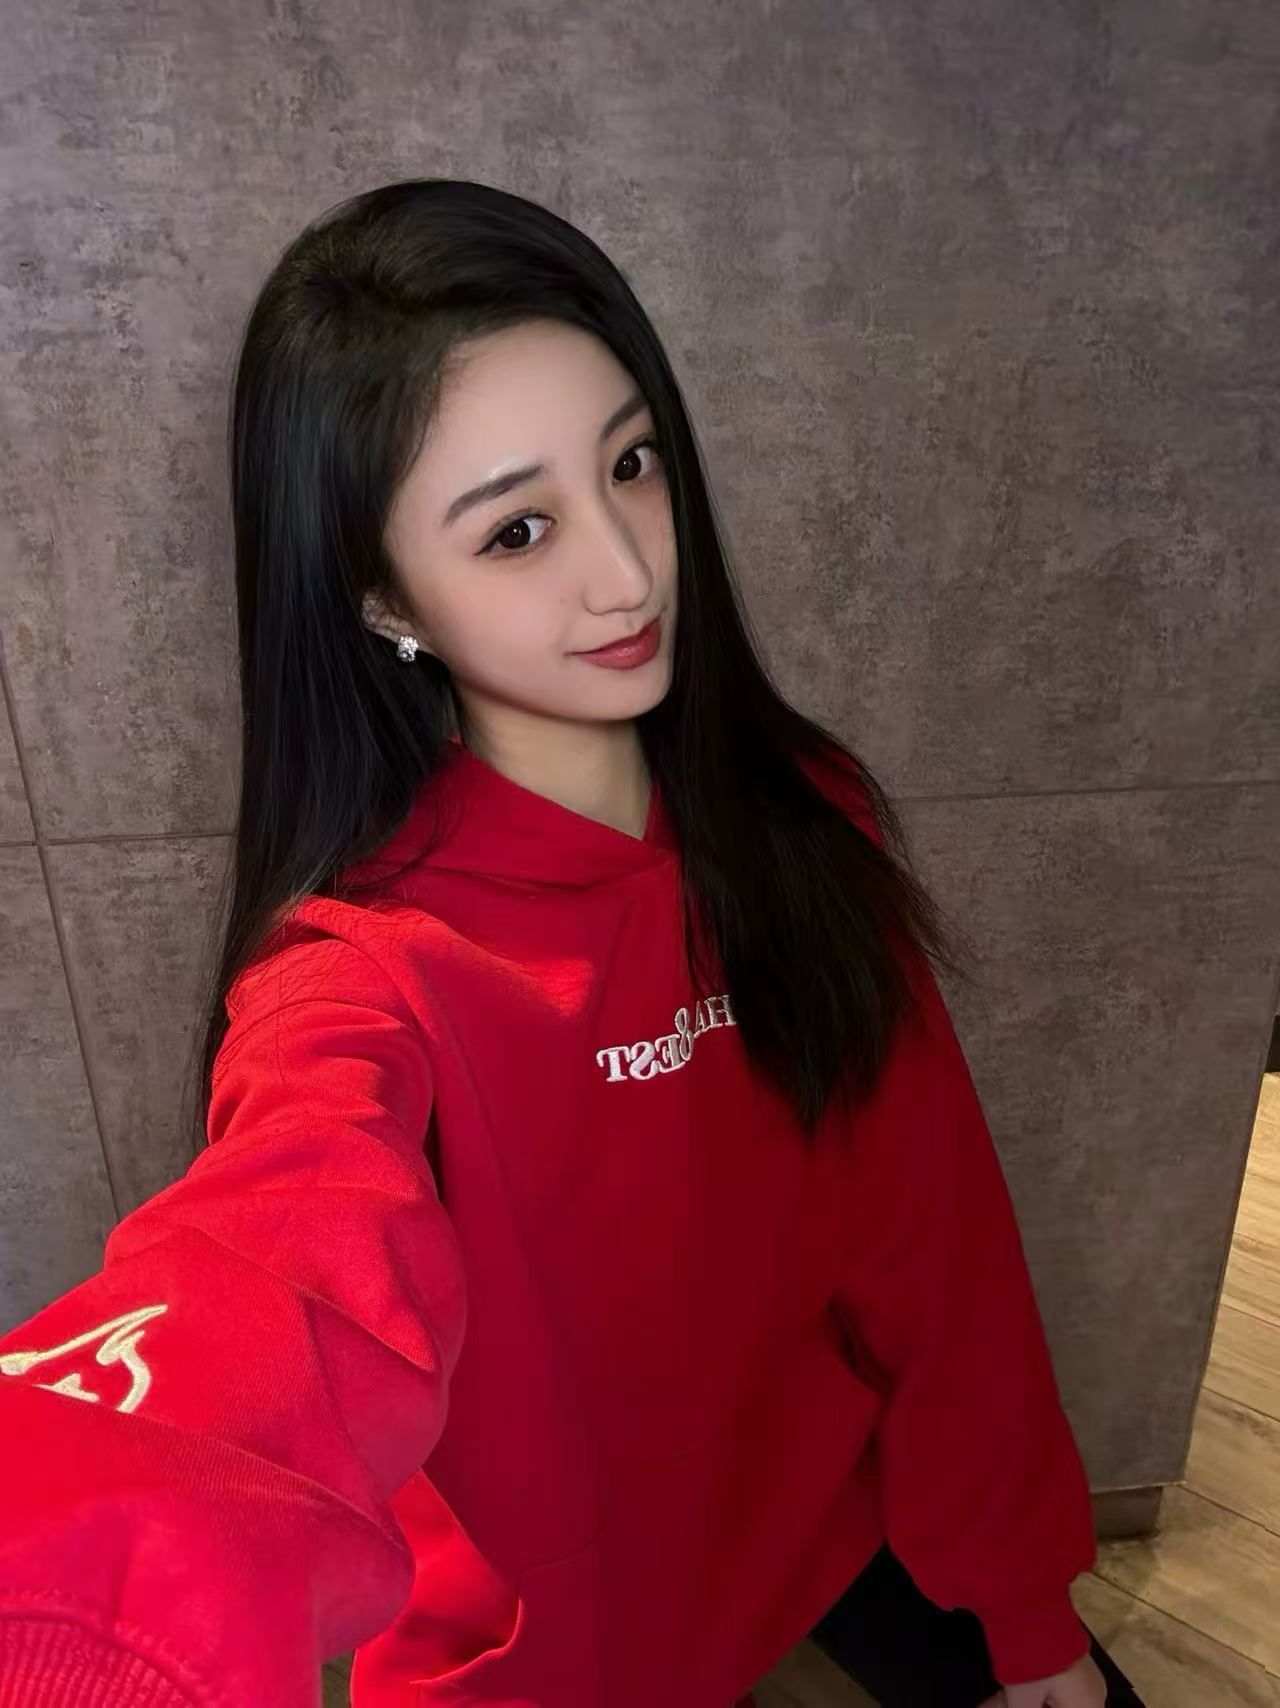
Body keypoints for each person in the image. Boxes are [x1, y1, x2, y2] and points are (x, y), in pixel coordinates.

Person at [0, 179, 1141, 1708]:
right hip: (559, 1639)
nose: (624, 573)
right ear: (380, 593)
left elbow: (935, 1245)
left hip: (833, 1521)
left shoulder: (796, 820)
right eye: (519, 529)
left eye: (632, 464)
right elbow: (268, 1277)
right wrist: (71, 1594)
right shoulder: (363, 975)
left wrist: (1023, 1595)